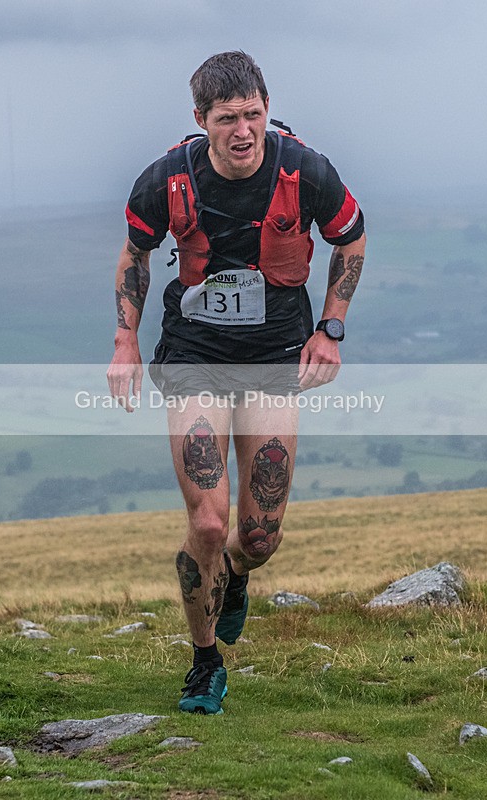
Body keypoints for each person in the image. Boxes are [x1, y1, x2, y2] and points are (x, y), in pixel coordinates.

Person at [107, 51, 366, 715]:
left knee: (255, 537)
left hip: (276, 354)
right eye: (228, 119)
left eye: (253, 113)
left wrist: (329, 329)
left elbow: (352, 239)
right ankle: (203, 664)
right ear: (202, 121)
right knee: (209, 517)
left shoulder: (305, 170)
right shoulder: (166, 179)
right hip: (193, 354)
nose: (243, 129)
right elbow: (135, 255)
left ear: (266, 109)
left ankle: (235, 574)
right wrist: (125, 341)